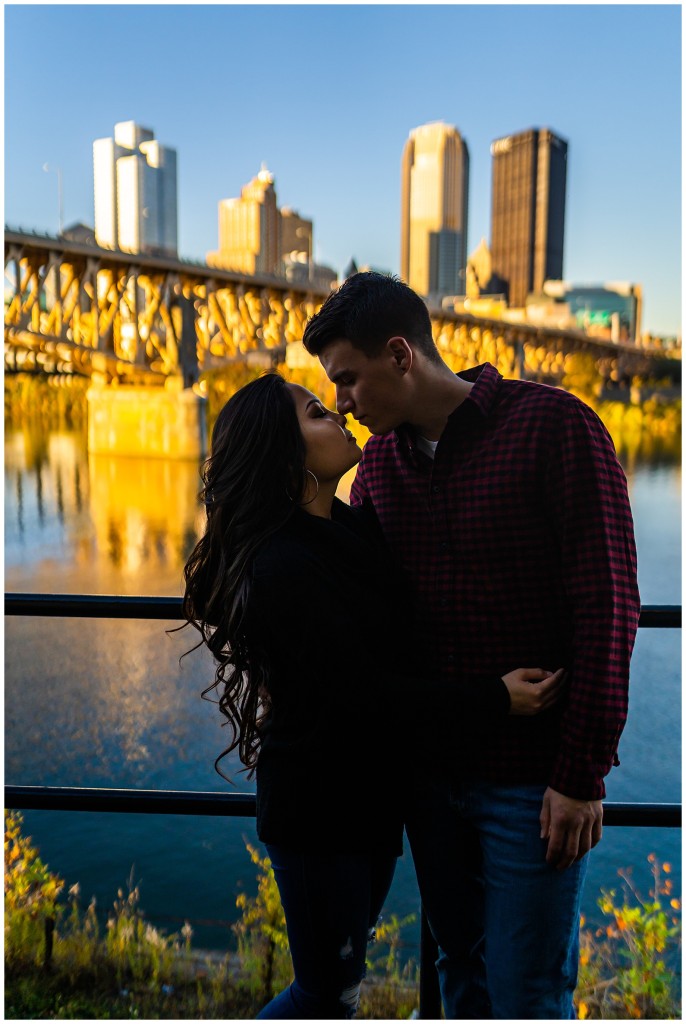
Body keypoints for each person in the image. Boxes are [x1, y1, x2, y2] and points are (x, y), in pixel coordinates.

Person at [302, 272, 641, 1020]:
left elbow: (609, 605)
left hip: (532, 785)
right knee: (458, 973)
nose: (344, 403)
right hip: (430, 784)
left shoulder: (556, 427)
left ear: (400, 355)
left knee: (527, 991)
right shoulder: (380, 471)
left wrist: (581, 774)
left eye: (348, 380)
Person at [182, 371, 566, 1020]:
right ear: (285, 452)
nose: (337, 413)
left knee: (343, 986)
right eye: (314, 413)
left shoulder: (352, 531)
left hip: (370, 802)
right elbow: (368, 695)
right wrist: (493, 700)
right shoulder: (282, 566)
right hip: (318, 809)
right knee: (327, 994)